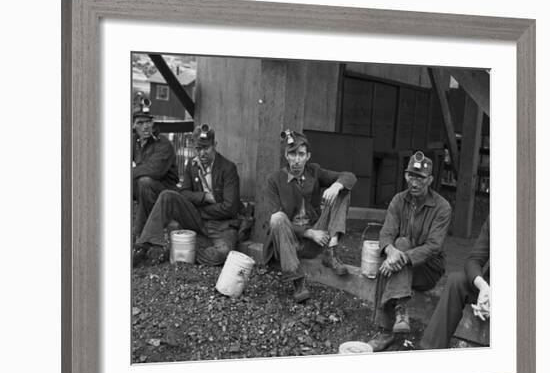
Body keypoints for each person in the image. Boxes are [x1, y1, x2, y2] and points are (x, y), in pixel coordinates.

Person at [366, 151, 452, 352]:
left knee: (397, 254)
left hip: (428, 269)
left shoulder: (442, 207)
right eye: (411, 176)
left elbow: (433, 247)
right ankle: (399, 317)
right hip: (402, 267)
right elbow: (386, 232)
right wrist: (389, 249)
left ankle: (386, 331)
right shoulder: (398, 200)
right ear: (405, 176)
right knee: (392, 256)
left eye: (420, 177)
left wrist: (400, 257)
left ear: (429, 180)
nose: (414, 182)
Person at [263, 130, 357, 302]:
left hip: (317, 239)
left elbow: (349, 176)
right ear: (286, 155)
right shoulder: (274, 180)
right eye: (292, 154)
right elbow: (276, 222)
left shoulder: (314, 172)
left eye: (301, 154)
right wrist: (309, 233)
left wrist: (336, 186)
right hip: (291, 241)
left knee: (344, 190)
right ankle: (297, 281)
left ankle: (331, 251)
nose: (297, 159)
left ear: (308, 156)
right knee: (277, 218)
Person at [133, 123, 242, 266]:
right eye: (198, 148)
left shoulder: (228, 168)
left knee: (220, 255)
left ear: (214, 145)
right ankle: (144, 245)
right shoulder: (192, 165)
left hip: (221, 225)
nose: (202, 153)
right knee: (168, 196)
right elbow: (183, 193)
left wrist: (199, 209)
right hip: (197, 219)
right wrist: (204, 197)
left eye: (206, 148)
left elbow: (230, 208)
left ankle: (186, 248)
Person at [420, 217, 490, 349]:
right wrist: (483, 287)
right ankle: (431, 350)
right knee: (456, 281)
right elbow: (474, 259)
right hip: (491, 287)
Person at [132, 110, 179, 239]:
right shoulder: (134, 141)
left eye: (148, 122)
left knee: (144, 182)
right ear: (133, 125)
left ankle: (142, 235)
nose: (146, 126)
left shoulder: (163, 143)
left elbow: (155, 170)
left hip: (166, 190)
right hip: (144, 188)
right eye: (140, 123)